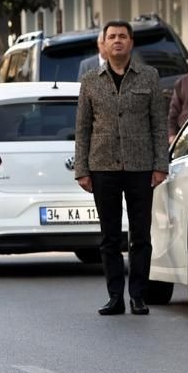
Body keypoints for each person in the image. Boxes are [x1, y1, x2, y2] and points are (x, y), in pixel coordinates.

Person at [74, 21, 169, 316]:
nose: (117, 41)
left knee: (140, 235)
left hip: (141, 167)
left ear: (131, 43)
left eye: (122, 37)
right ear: (103, 44)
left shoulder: (149, 77)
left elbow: (158, 124)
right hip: (103, 167)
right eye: (112, 36)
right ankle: (114, 295)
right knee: (110, 236)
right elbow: (83, 128)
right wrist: (82, 169)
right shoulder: (91, 80)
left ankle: (138, 295)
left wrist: (160, 164)